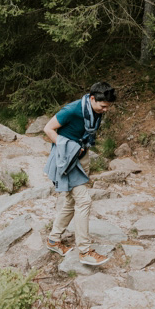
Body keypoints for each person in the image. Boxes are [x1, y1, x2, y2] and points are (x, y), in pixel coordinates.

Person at [43, 82, 117, 268]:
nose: (106, 110)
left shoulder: (95, 111)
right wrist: (66, 149)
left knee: (70, 201)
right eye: (103, 106)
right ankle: (85, 251)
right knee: (84, 201)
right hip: (67, 160)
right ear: (92, 99)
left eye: (108, 106)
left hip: (82, 156)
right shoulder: (73, 109)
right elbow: (48, 129)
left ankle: (53, 240)